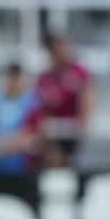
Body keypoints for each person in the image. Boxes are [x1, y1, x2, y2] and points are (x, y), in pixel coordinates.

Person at [33, 30, 94, 168]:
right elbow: (42, 106)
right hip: (54, 130)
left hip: (73, 127)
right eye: (59, 46)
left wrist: (84, 121)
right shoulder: (45, 77)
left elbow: (87, 96)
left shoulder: (78, 71)